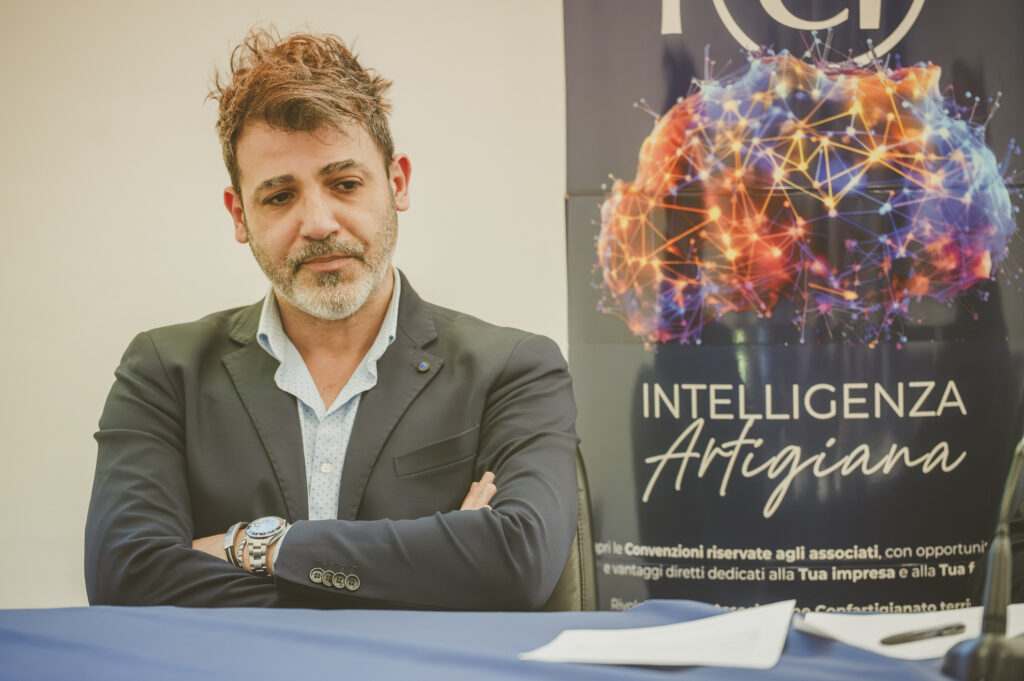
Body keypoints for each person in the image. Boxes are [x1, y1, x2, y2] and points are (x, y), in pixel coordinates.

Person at [84, 27, 579, 610]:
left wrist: (259, 548)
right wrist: (433, 568)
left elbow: (516, 564)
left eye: (345, 184)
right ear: (239, 215)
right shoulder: (164, 373)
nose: (318, 223)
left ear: (397, 184)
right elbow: (127, 577)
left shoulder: (513, 369)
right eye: (279, 196)